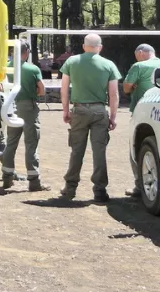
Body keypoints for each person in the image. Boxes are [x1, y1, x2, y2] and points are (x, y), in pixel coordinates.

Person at [59, 33, 121, 203]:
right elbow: (114, 94)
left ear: (84, 46)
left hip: (79, 110)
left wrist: (66, 110)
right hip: (100, 111)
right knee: (99, 152)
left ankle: (70, 188)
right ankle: (100, 190)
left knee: (76, 150)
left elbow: (64, 89)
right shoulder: (109, 64)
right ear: (100, 47)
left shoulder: (71, 62)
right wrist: (113, 116)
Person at [1, 41, 52, 192]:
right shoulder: (32, 69)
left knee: (11, 142)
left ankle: (7, 177)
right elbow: (41, 89)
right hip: (29, 108)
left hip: (11, 106)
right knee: (31, 143)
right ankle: (34, 181)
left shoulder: (5, 68)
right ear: (27, 52)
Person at [123, 43, 160, 198]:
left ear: (142, 53)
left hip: (141, 112)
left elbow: (126, 88)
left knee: (136, 149)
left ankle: (139, 185)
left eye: (136, 55)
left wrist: (133, 87)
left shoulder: (138, 66)